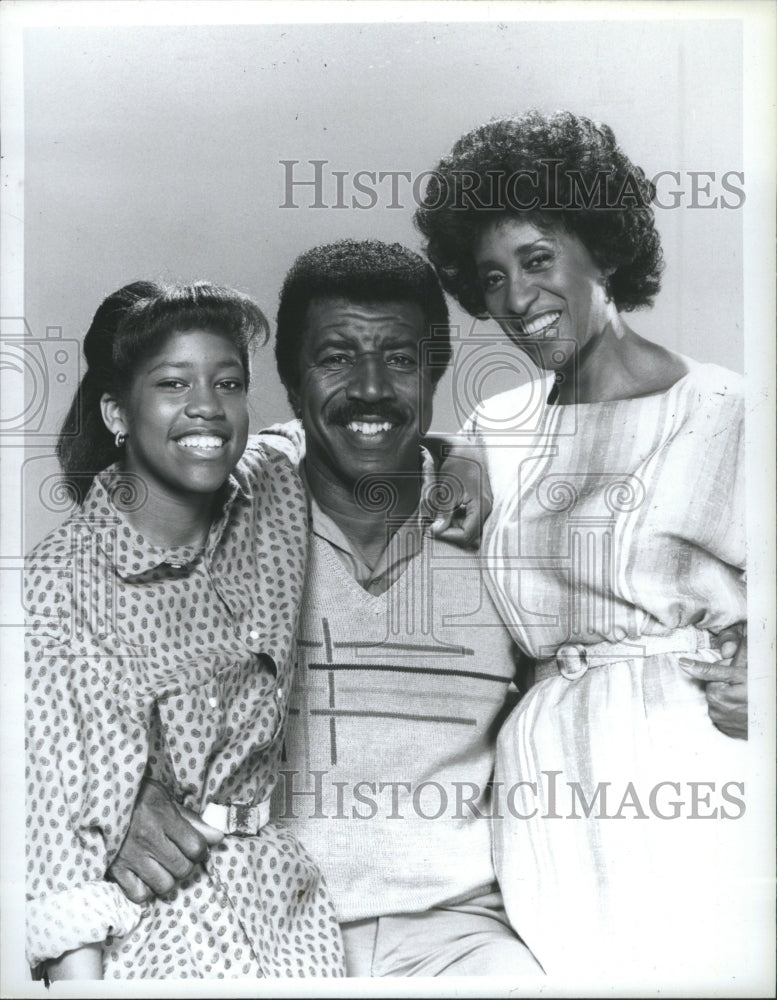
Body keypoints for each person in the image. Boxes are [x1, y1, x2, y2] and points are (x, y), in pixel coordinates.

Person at [107, 241, 546, 977]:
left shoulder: (501, 525)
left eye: (400, 359)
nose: (371, 388)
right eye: (336, 357)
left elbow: (612, 655)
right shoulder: (223, 520)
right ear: (288, 378)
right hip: (245, 924)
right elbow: (73, 673)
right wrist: (125, 791)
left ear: (435, 371)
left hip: (456, 934)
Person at [414, 110, 752, 981]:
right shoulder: (502, 422)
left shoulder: (723, 410)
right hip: (541, 785)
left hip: (686, 764)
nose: (517, 300)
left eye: (536, 259)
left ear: (603, 249)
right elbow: (413, 455)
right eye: (491, 277)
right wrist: (458, 455)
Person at [25, 281, 345, 979]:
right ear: (116, 410)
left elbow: (348, 430)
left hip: (289, 912)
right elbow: (62, 845)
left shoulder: (273, 489)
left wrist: (457, 459)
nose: (207, 405)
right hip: (154, 929)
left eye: (227, 382)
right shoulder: (64, 577)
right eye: (173, 383)